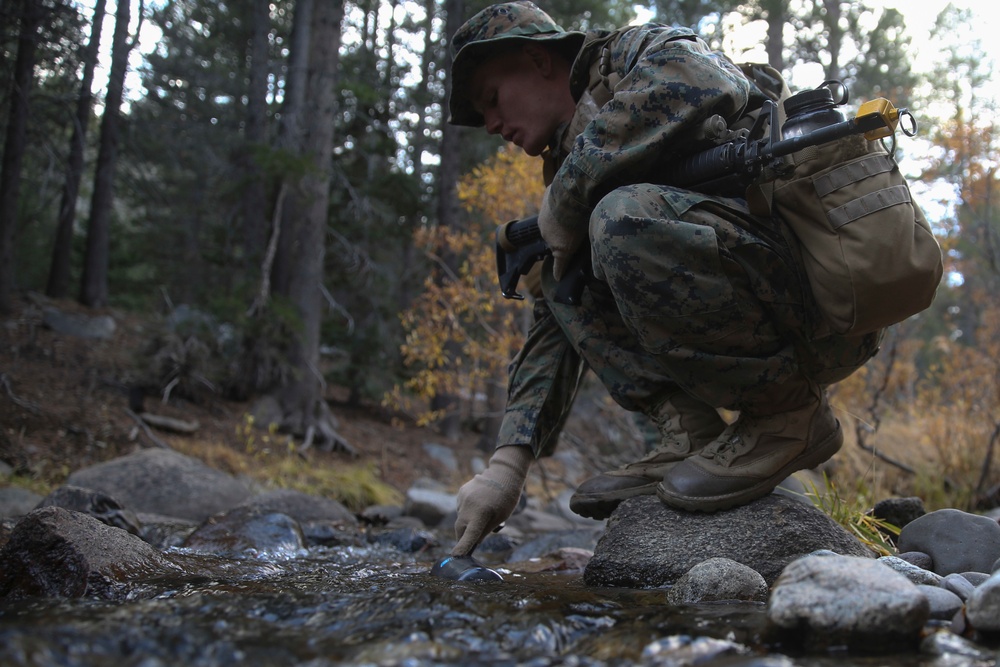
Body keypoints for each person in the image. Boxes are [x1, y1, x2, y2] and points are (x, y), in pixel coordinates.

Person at [447, 1, 881, 557]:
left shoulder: (631, 54)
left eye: (491, 99)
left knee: (619, 218)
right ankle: (690, 433)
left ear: (538, 60)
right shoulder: (570, 157)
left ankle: (787, 416)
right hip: (772, 293)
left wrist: (572, 193)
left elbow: (701, 75)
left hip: (823, 299)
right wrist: (507, 465)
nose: (491, 124)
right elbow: (560, 307)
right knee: (558, 270)